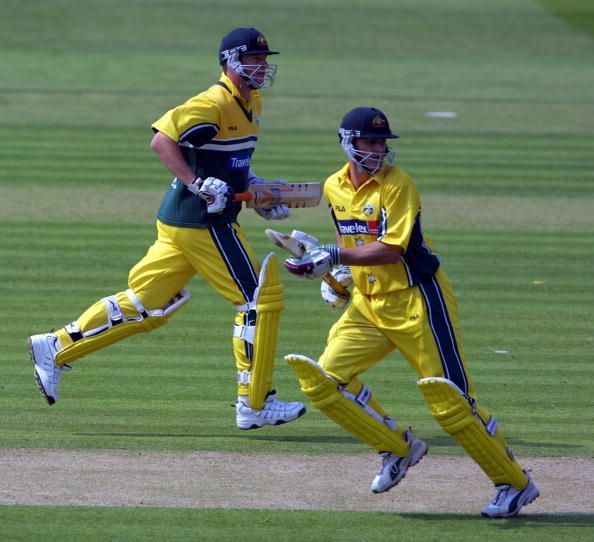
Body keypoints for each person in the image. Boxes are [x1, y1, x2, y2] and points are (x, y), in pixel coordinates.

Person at [28, 27, 306, 430]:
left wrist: (259, 196)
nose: (261, 67)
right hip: (202, 222)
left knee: (147, 302)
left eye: (264, 60)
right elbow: (162, 140)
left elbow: (231, 164)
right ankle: (255, 402)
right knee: (258, 300)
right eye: (253, 60)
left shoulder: (252, 102)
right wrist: (196, 184)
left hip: (180, 221)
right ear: (230, 63)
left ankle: (55, 346)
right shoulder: (212, 102)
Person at [281, 106, 539, 518]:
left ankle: (515, 483)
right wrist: (340, 277)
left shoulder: (398, 185)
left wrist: (332, 256)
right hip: (369, 305)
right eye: (370, 142)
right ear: (348, 142)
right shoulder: (334, 186)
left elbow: (392, 248)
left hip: (419, 300)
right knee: (322, 382)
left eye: (382, 142)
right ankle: (398, 448)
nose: (379, 150)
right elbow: (349, 237)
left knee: (450, 401)